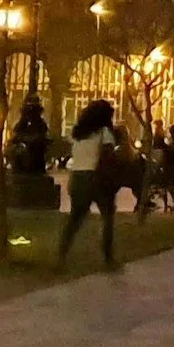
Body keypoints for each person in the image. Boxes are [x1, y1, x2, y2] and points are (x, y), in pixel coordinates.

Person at [56, 100, 123, 269]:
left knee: (74, 219)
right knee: (107, 217)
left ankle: (61, 255)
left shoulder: (78, 134)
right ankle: (108, 259)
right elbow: (107, 156)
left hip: (77, 177)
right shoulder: (104, 133)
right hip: (96, 177)